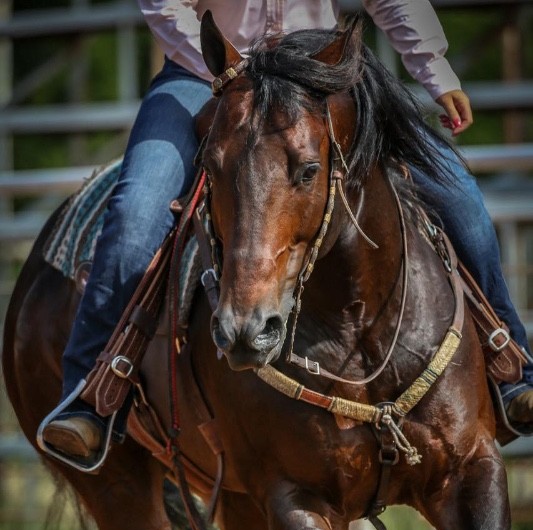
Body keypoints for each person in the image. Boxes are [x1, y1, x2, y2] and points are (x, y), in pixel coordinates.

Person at [41, 0, 533, 467]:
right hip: (206, 74)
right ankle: (90, 394)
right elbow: (164, 5)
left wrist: (435, 71)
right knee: (136, 216)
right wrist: (232, 72)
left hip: (319, 73)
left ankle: (509, 364)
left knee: (457, 195)